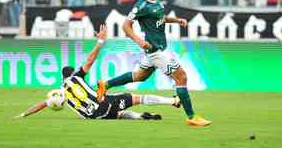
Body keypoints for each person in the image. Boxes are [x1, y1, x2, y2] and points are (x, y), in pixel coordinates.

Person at [97, 0, 212, 126]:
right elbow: (126, 26)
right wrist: (140, 41)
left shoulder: (156, 1)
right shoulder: (141, 5)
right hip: (156, 51)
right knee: (181, 77)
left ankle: (105, 85)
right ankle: (192, 117)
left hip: (156, 49)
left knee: (139, 76)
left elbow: (160, 17)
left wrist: (177, 21)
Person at [15, 25, 181, 120]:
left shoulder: (60, 92)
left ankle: (139, 117)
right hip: (103, 103)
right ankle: (172, 101)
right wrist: (100, 41)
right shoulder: (76, 76)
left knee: (118, 113)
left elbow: (43, 104)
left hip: (94, 116)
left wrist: (24, 114)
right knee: (136, 98)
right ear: (72, 73)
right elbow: (90, 60)